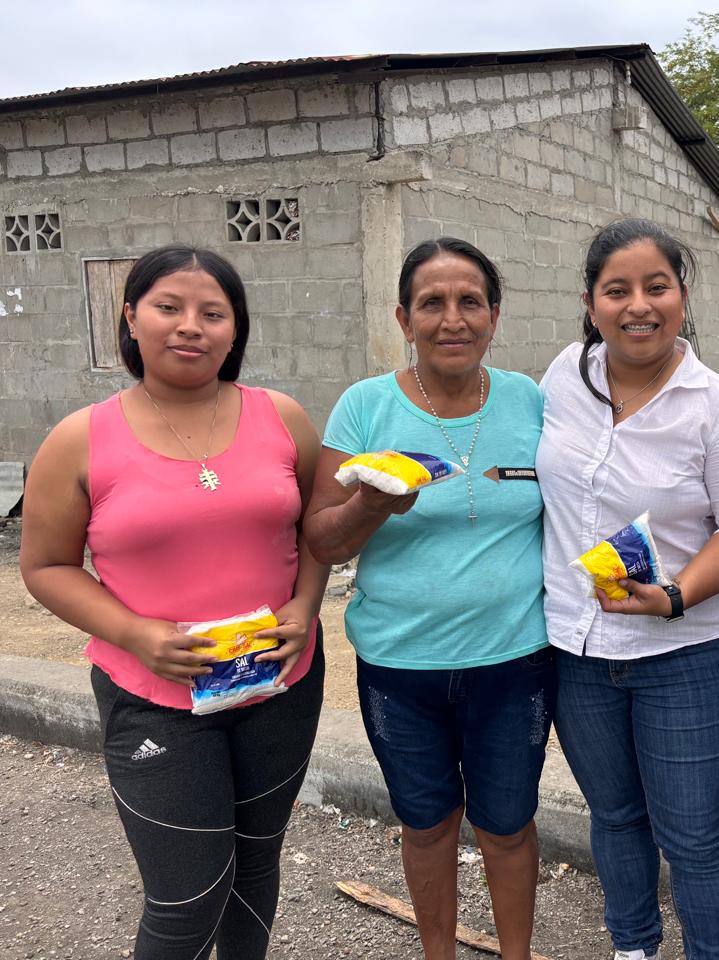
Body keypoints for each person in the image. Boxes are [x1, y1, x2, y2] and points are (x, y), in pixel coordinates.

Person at [20, 245, 327, 960]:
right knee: (188, 897)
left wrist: (306, 605)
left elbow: (318, 528)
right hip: (155, 695)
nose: (191, 325)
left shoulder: (282, 417)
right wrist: (136, 633)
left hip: (278, 684)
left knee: (255, 867)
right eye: (169, 307)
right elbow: (45, 566)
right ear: (131, 317)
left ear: (234, 328)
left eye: (213, 313)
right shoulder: (79, 439)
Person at [303, 238, 551, 960]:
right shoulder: (364, 406)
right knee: (428, 823)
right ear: (404, 318)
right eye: (431, 303)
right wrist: (372, 505)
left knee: (508, 825)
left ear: (495, 314)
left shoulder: (529, 400)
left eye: (470, 301)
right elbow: (321, 537)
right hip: (400, 664)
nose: (452, 319)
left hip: (515, 658)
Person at [538, 219, 719, 960]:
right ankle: (633, 948)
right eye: (617, 290)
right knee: (614, 817)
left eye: (656, 287)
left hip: (686, 657)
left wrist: (675, 595)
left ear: (682, 295)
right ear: (590, 303)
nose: (638, 305)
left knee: (694, 836)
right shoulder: (562, 376)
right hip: (577, 651)